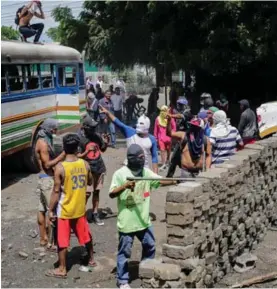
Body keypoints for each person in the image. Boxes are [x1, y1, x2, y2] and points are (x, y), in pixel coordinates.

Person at [109, 144, 177, 288]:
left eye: (143, 157)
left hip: (143, 221)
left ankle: (145, 271)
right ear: (132, 159)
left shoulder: (145, 172)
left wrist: (174, 180)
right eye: (140, 158)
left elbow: (159, 180)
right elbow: (112, 193)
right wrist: (125, 186)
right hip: (127, 223)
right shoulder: (120, 174)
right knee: (125, 253)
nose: (142, 160)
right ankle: (122, 280)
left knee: (150, 246)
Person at [46, 134, 96, 278]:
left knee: (62, 240)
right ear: (77, 148)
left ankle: (62, 269)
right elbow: (90, 182)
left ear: (64, 148)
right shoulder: (84, 164)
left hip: (65, 210)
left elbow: (56, 191)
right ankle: (91, 259)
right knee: (86, 236)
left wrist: (50, 210)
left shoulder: (60, 168)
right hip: (79, 209)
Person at [100, 105, 159, 174]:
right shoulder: (130, 132)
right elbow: (117, 122)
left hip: (144, 169)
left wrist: (155, 175)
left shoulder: (152, 139)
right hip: (129, 169)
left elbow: (155, 158)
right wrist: (107, 113)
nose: (140, 133)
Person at [35, 118, 66, 250]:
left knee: (41, 210)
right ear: (48, 129)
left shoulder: (44, 139)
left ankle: (43, 239)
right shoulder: (43, 143)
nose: (55, 131)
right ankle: (52, 242)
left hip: (43, 179)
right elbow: (47, 164)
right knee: (52, 210)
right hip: (47, 180)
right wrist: (62, 156)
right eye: (54, 129)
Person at [77, 116, 109, 226]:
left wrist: (106, 142)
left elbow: (103, 149)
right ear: (85, 128)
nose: (94, 129)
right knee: (86, 193)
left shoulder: (96, 136)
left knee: (96, 192)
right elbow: (77, 157)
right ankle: (82, 215)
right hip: (87, 170)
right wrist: (86, 151)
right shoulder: (80, 139)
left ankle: (95, 214)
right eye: (91, 127)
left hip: (99, 168)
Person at [154, 105, 176, 171]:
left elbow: (174, 127)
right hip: (161, 138)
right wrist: (155, 138)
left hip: (169, 137)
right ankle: (164, 163)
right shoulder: (157, 119)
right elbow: (156, 129)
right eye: (162, 111)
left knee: (169, 150)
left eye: (165, 111)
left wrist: (173, 134)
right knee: (162, 150)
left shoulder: (170, 118)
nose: (163, 112)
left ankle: (168, 161)